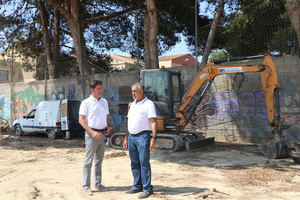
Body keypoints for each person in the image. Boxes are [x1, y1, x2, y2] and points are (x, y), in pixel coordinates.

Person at [123, 82, 157, 199]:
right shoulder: (132, 105)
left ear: (141, 91)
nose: (133, 93)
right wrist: (126, 138)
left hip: (143, 136)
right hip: (132, 137)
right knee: (134, 162)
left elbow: (153, 122)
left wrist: (154, 138)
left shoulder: (149, 104)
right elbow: (129, 122)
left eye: (135, 91)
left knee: (144, 162)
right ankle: (137, 185)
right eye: (132, 91)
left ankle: (147, 189)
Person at [79, 80, 111, 196]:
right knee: (88, 161)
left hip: (102, 134)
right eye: (98, 89)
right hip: (91, 135)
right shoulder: (86, 103)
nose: (101, 91)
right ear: (92, 90)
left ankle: (98, 184)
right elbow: (81, 120)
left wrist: (108, 126)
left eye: (101, 88)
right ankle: (86, 186)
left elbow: (106, 117)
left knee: (99, 161)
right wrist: (92, 133)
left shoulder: (104, 102)